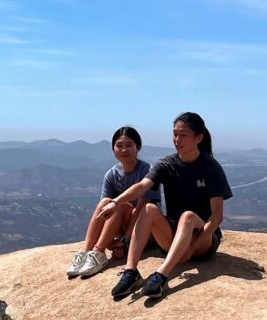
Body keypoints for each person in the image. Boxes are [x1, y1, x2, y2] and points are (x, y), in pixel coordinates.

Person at [98, 112, 232, 301]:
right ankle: (131, 271)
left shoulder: (211, 167)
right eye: (175, 134)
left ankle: (161, 274)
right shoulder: (167, 164)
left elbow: (217, 216)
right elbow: (142, 186)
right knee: (149, 209)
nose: (177, 140)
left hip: (202, 239)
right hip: (173, 236)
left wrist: (192, 247)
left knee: (187, 216)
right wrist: (115, 202)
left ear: (199, 138)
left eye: (183, 135)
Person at [67, 126, 160, 279]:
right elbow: (104, 211)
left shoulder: (147, 171)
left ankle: (98, 252)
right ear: (113, 149)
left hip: (145, 231)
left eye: (129, 145)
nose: (124, 150)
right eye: (119, 146)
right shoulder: (112, 174)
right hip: (122, 229)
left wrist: (125, 241)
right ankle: (86, 251)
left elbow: (143, 206)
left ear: (138, 148)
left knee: (121, 204)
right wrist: (112, 240)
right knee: (105, 202)